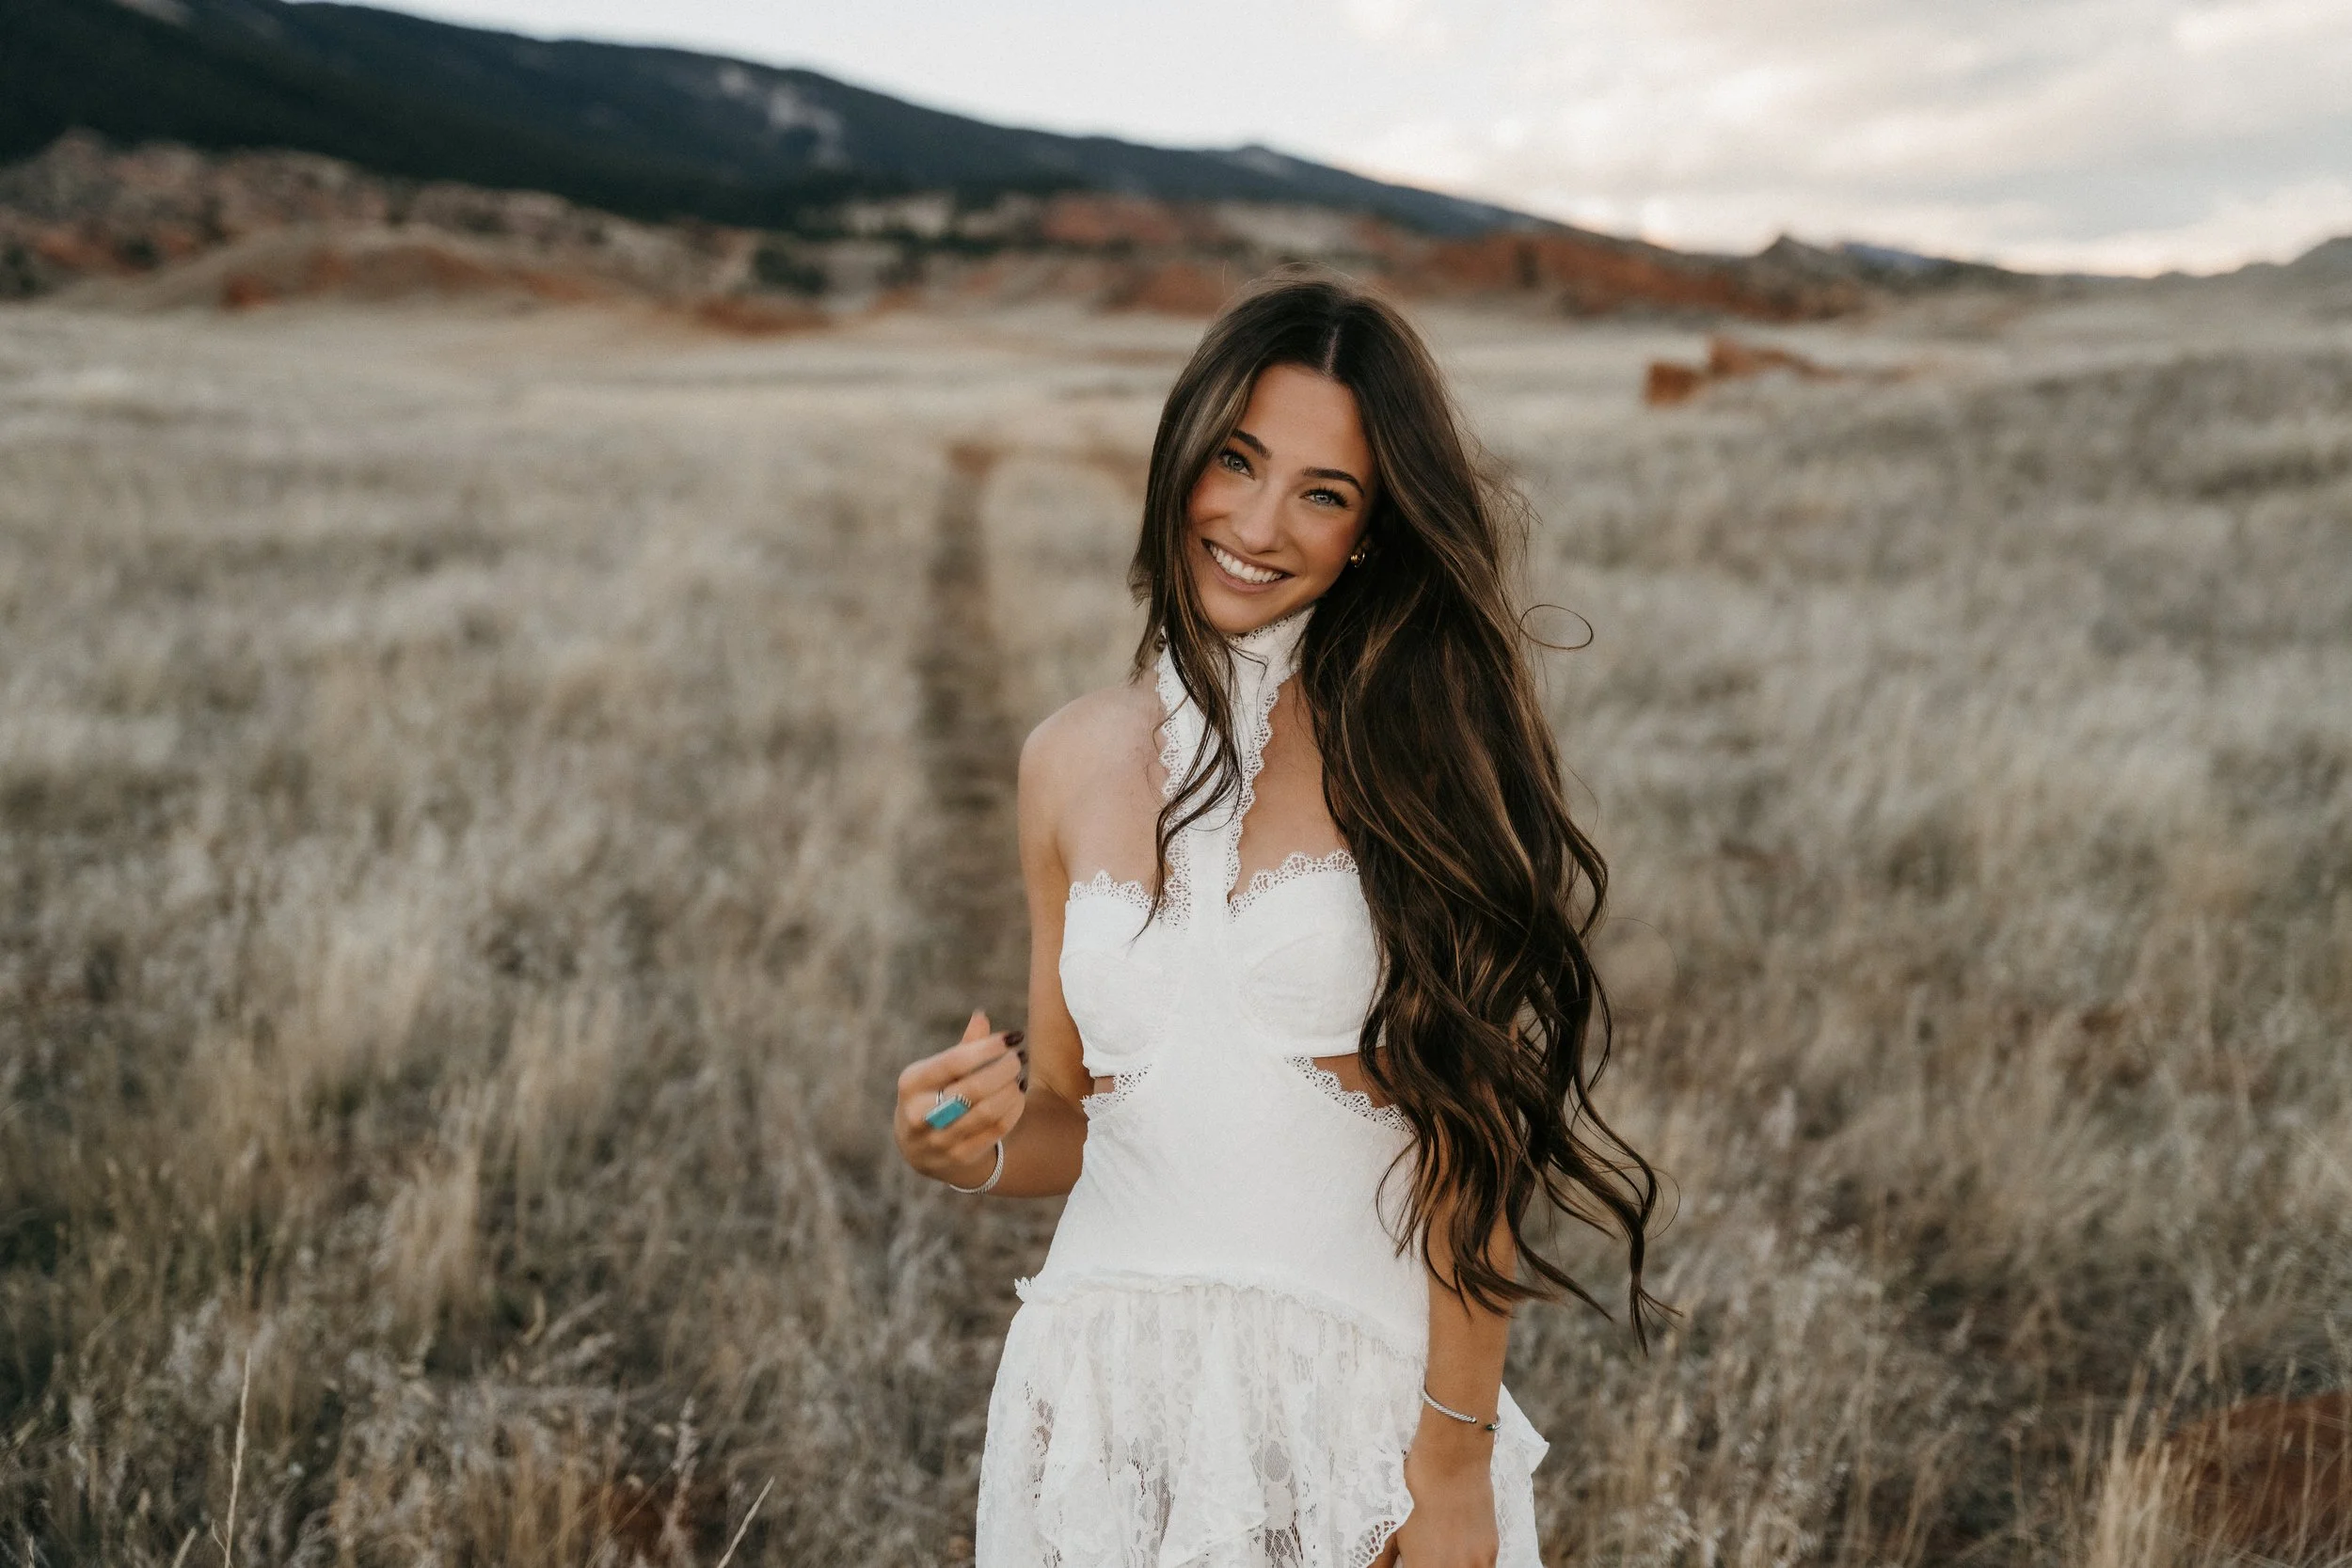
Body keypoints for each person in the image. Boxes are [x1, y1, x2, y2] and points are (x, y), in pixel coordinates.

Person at [893, 269, 1663, 1568]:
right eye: (1237, 461)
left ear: (1372, 527)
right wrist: (959, 1142)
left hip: (1343, 1417)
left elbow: (1472, 1143)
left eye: (1325, 490)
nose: (1258, 522)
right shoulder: (1065, 758)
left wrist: (1453, 1461)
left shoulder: (1418, 749)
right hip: (1096, 1397)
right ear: (1183, 451)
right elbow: (1075, 1120)